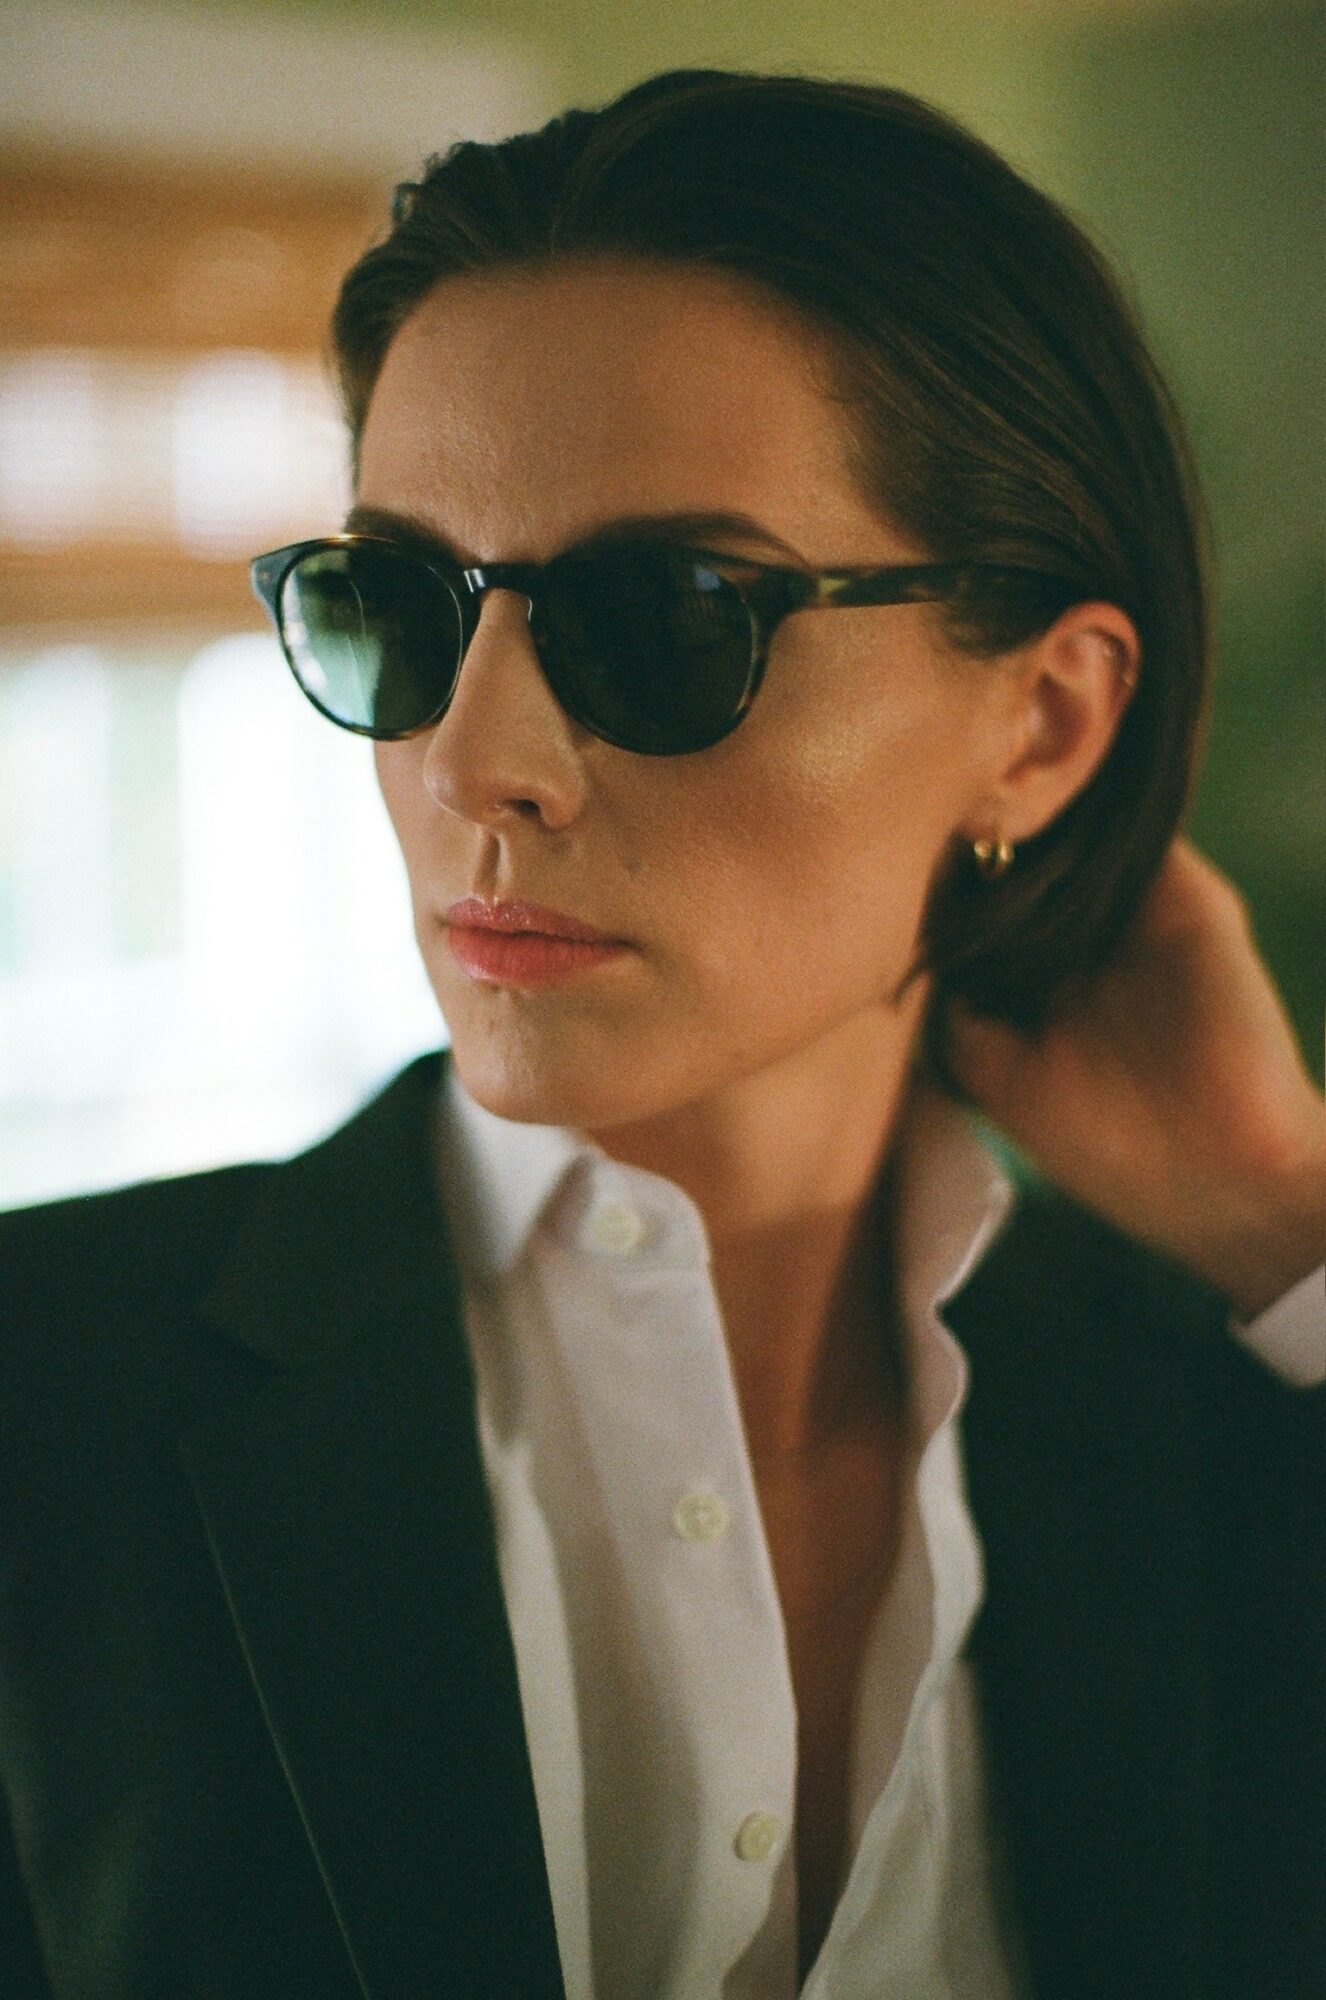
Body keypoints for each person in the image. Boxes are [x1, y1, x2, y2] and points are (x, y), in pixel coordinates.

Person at [1, 68, 1322, 2000]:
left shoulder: (1232, 1433)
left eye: (671, 614)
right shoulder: (44, 1404)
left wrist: (1287, 1220)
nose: (472, 761)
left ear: (1039, 721)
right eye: (397, 602)